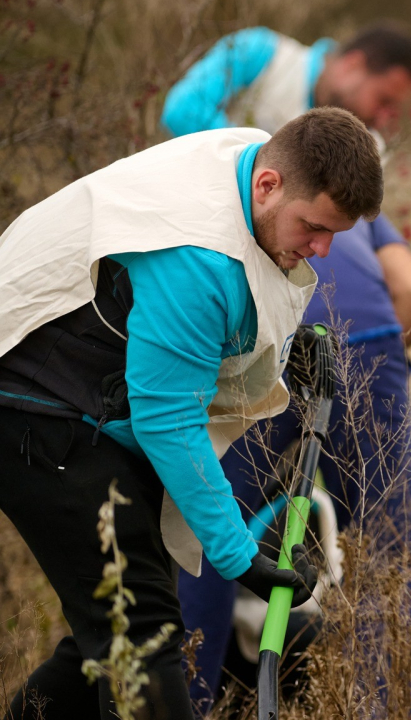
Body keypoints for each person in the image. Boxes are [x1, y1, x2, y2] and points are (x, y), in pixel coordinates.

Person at [0, 107, 381, 719]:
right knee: (142, 633)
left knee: (117, 632)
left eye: (334, 234)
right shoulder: (195, 257)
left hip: (88, 400)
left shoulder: (254, 161)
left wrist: (291, 349)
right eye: (313, 227)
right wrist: (240, 557)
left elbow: (236, 304)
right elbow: (168, 421)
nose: (322, 249)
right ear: (269, 185)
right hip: (32, 401)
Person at [161, 21, 411, 708]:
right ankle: (384, 705)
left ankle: (189, 702)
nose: (384, 119)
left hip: (262, 337)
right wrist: (374, 375)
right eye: (383, 98)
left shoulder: (316, 176)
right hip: (364, 340)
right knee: (384, 548)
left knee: (210, 529)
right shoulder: (264, 60)